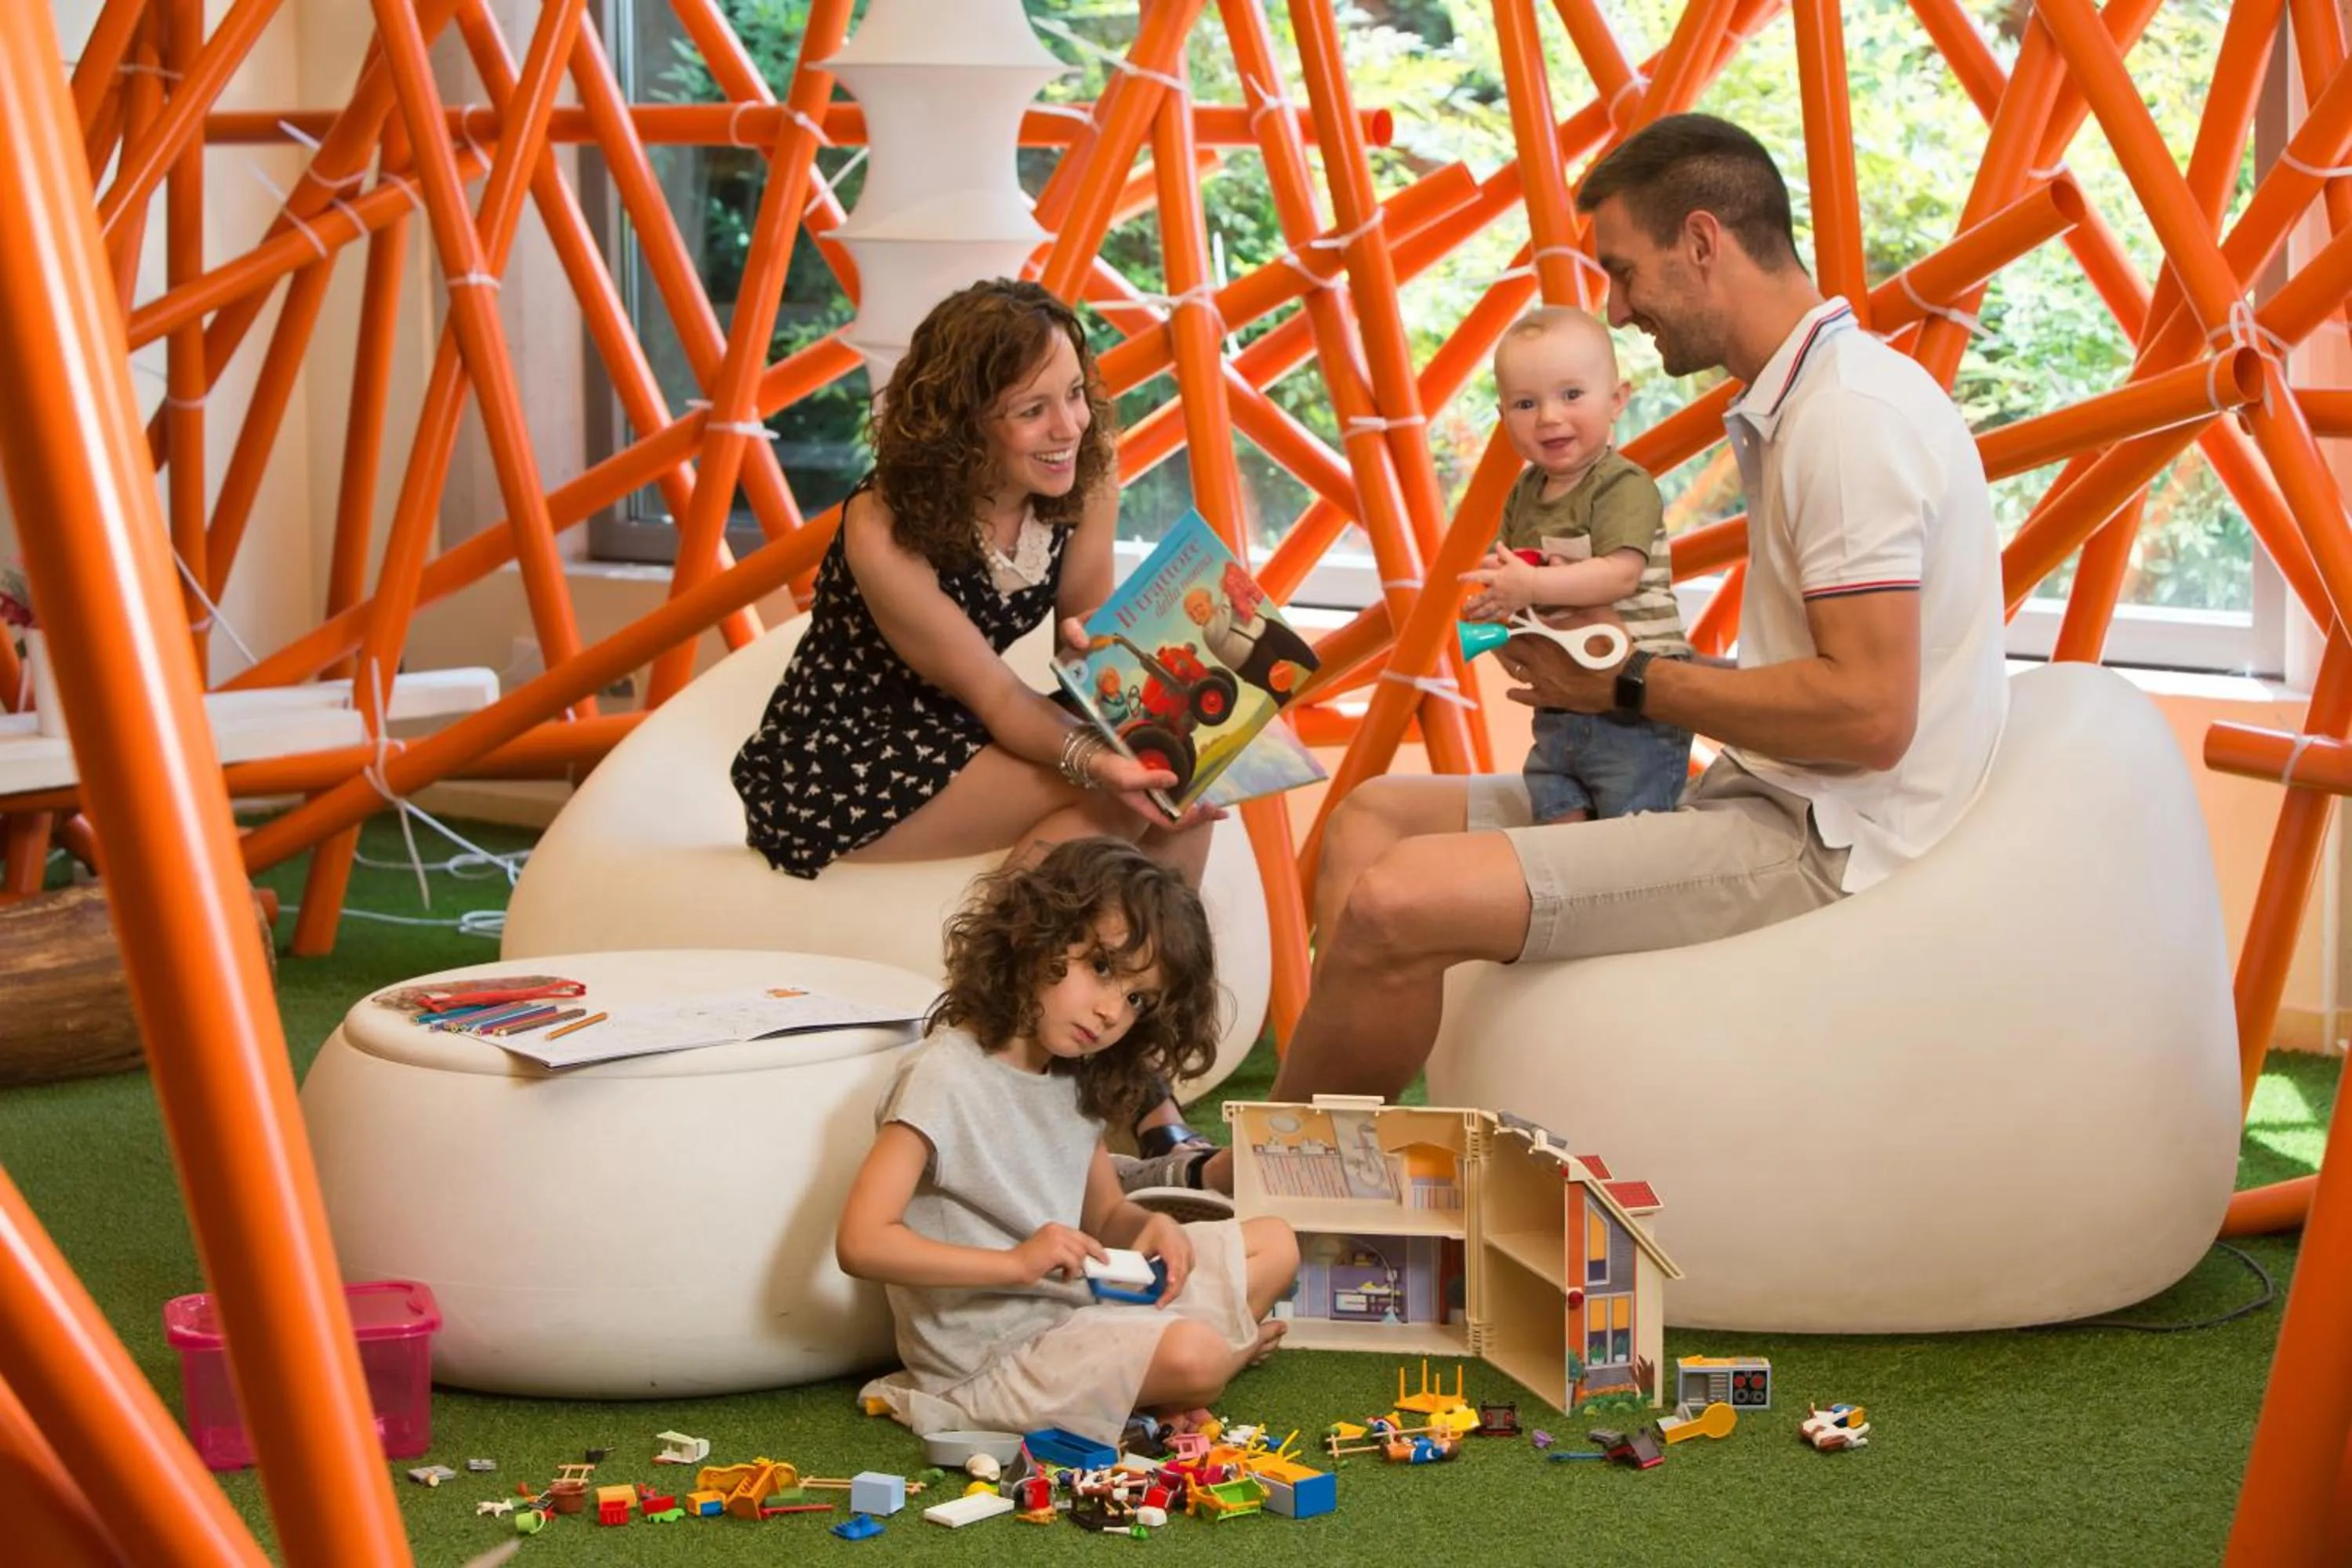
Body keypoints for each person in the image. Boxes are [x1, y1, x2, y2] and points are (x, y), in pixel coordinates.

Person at [1196, 111, 2007, 1191]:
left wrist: (1622, 684)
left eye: (1625, 273)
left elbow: (1867, 719)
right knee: (1374, 819)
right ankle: (1366, 1172)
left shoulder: (1847, 425)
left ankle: (1261, 1194)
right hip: (1763, 794)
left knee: (1401, 898)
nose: (1617, 310)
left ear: (1704, 242)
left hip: (1823, 840)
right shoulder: (1815, 399)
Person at [727, 279, 1218, 1189]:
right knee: (1097, 804)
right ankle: (1010, 1056)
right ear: (965, 423)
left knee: (1186, 807)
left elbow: (1085, 635)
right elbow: (998, 697)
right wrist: (1102, 759)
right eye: (1032, 409)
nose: (1068, 424)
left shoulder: (1085, 473)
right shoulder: (885, 523)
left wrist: (1176, 719)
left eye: (1074, 392)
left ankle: (1130, 1070)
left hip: (969, 725)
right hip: (849, 752)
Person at [837, 837, 1299, 1447]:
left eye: (1137, 999)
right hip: (988, 1362)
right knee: (1198, 1356)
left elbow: (1104, 1213)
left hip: (1080, 1308)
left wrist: (1143, 1227)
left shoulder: (1073, 1074)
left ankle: (1161, 1376)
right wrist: (1014, 1264)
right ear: (1034, 935)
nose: (1111, 1012)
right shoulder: (943, 1075)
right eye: (1101, 968)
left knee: (1276, 1244)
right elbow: (862, 1243)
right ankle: (1209, 1369)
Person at [1461, 306, 1693, 823]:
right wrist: (1499, 618)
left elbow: (1621, 573)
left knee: (1625, 849)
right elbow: (1517, 572)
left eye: (1571, 395)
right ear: (1504, 418)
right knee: (1557, 824)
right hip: (1561, 707)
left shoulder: (1621, 484)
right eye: (1526, 403)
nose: (1548, 417)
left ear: (1616, 401)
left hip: (1635, 705)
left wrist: (1529, 583)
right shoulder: (1525, 491)